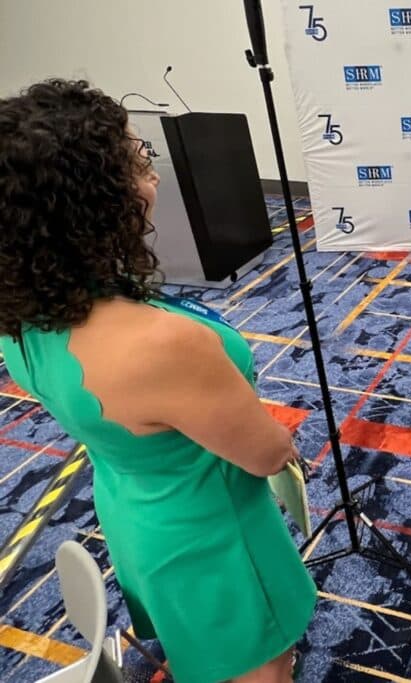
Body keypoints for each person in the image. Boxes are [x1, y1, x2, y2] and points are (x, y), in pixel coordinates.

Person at [0, 79, 316, 683]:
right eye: (139, 160)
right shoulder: (160, 344)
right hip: (214, 534)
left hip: (134, 509)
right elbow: (264, 454)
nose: (154, 176)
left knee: (201, 642)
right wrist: (280, 443)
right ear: (93, 199)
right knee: (261, 663)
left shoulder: (22, 312)